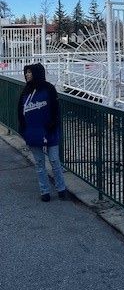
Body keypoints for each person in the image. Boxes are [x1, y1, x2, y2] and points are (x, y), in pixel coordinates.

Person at [17, 63, 67, 202]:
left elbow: (56, 109)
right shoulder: (25, 91)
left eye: (29, 72)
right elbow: (20, 112)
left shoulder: (49, 89)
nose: (27, 75)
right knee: (39, 163)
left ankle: (61, 188)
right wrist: (23, 129)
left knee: (54, 160)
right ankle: (44, 191)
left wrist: (53, 124)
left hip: (49, 131)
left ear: (36, 73)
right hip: (33, 132)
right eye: (26, 72)